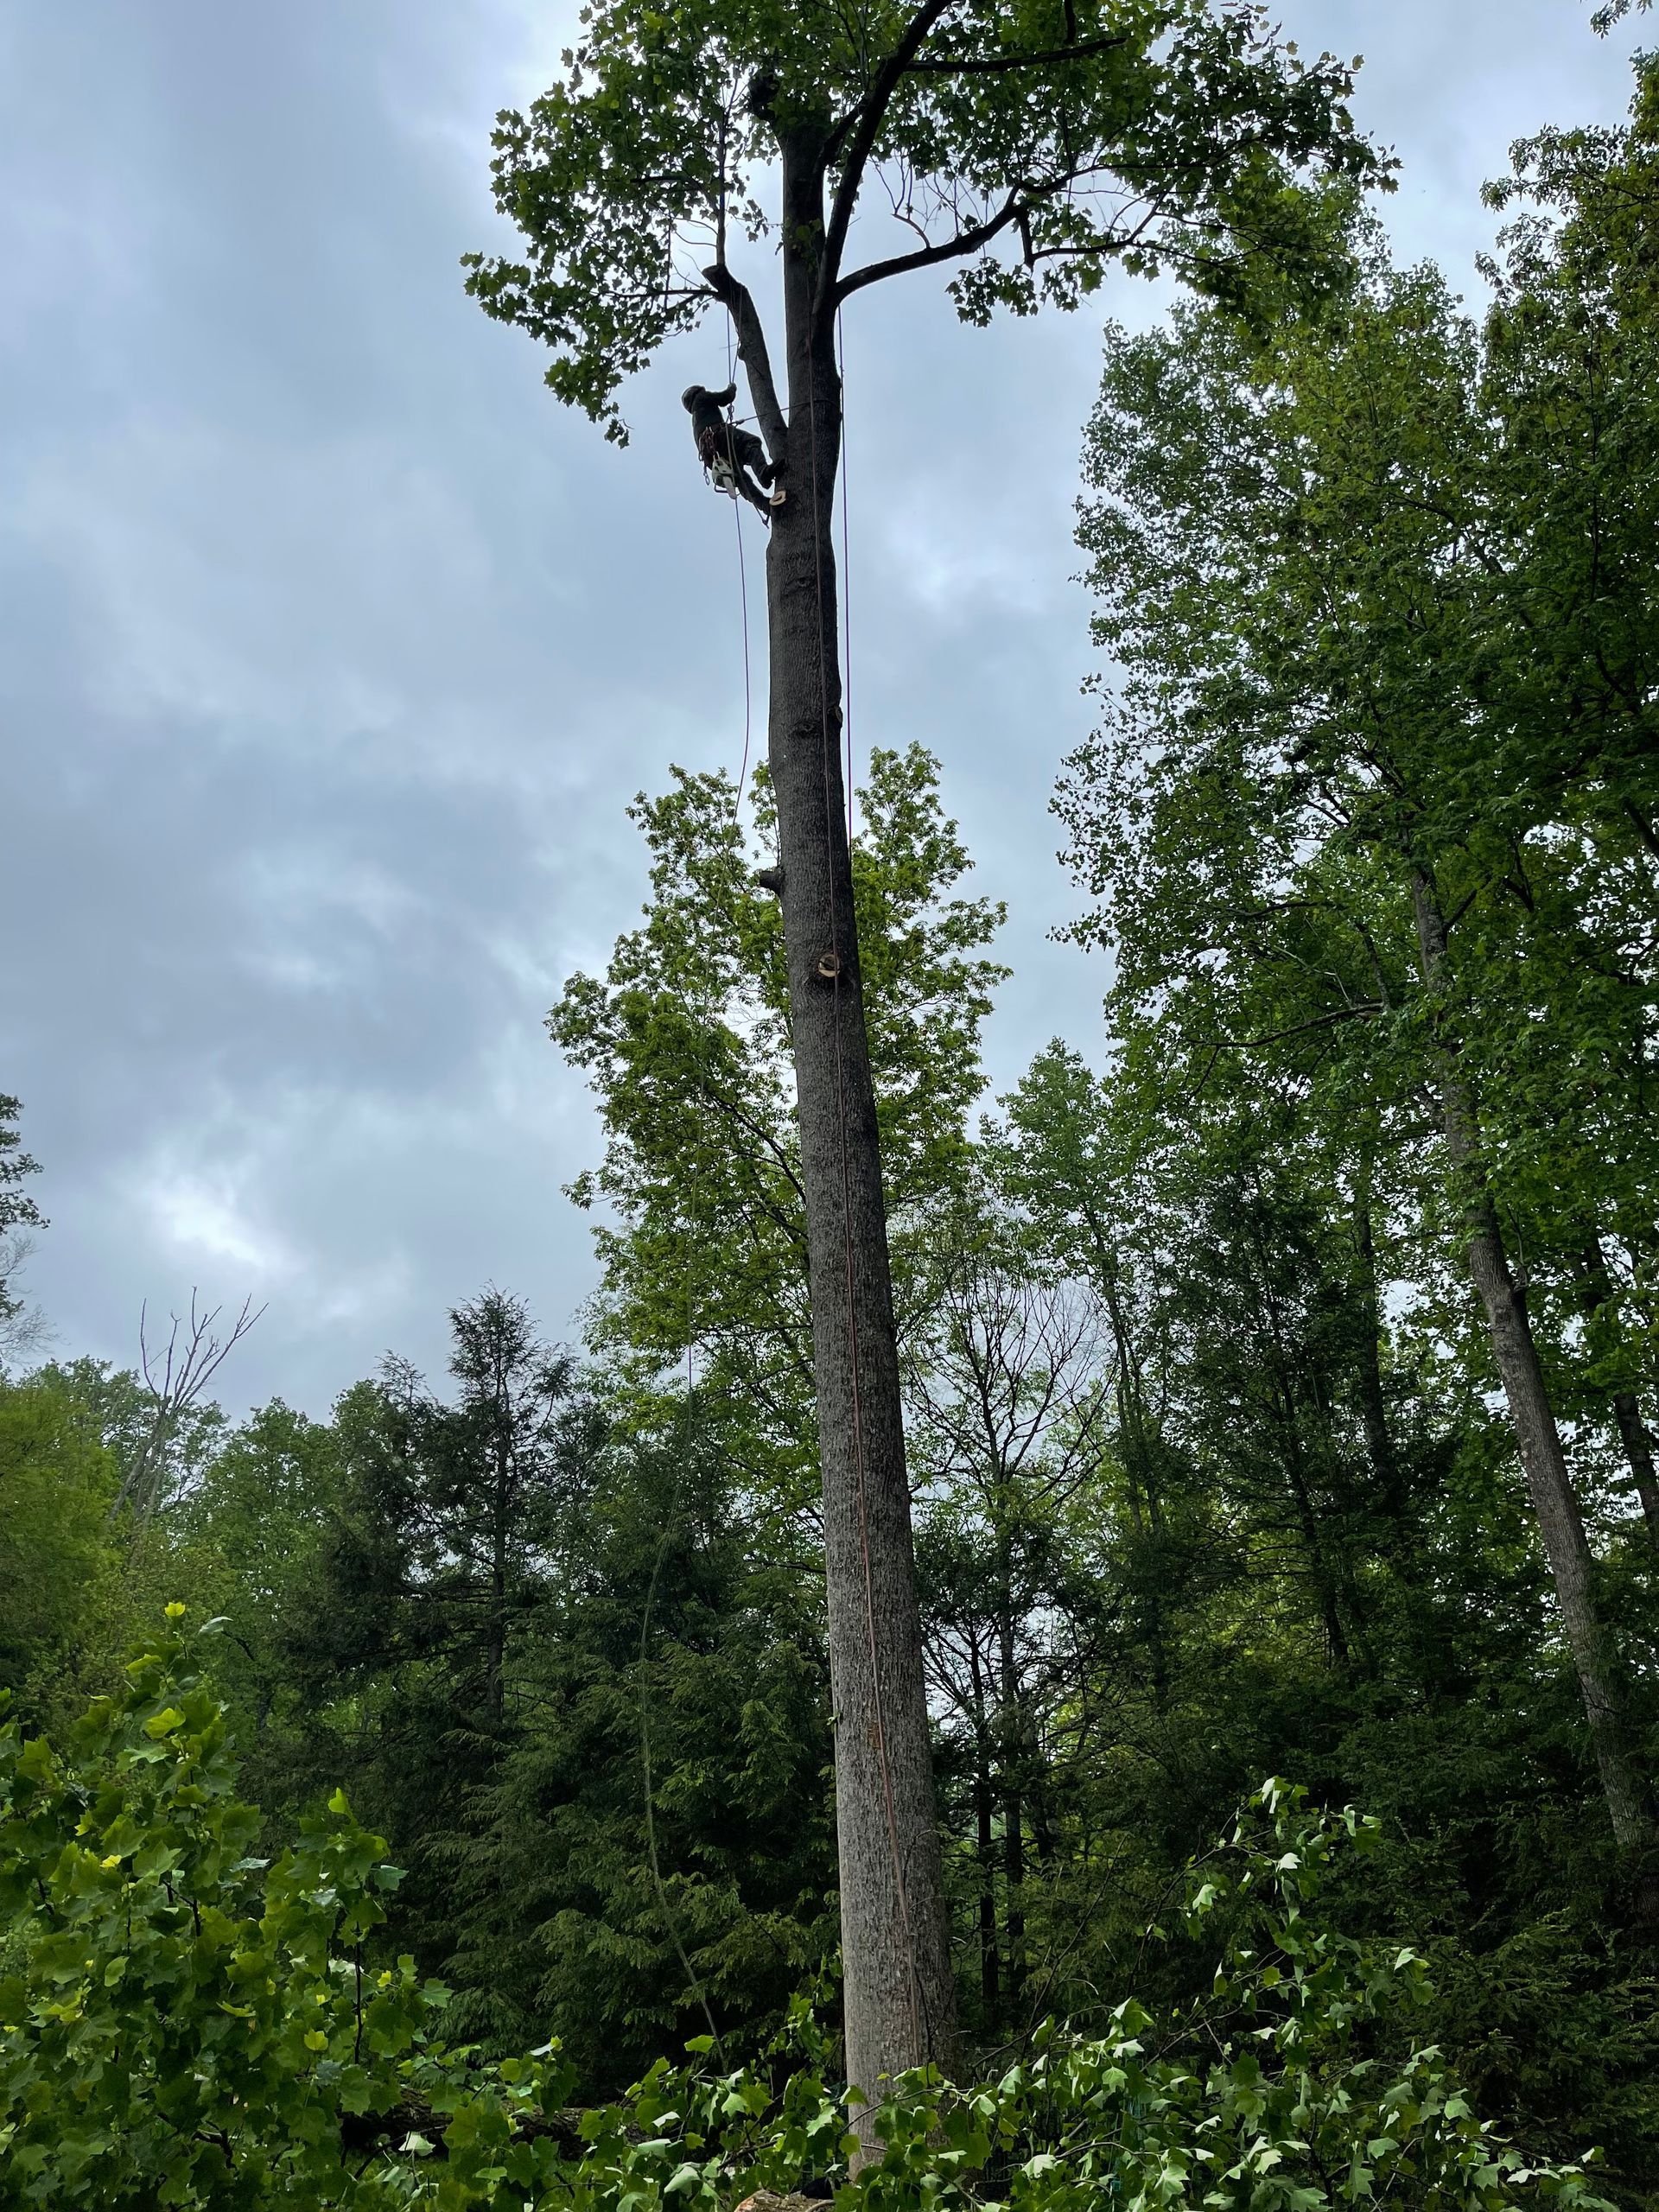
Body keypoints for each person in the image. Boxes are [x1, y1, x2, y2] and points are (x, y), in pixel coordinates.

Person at [682, 383, 785, 520]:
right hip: (719, 437)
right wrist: (732, 388)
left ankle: (766, 506)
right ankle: (763, 472)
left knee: (741, 478)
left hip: (713, 456)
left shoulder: (695, 420)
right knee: (751, 443)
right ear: (696, 392)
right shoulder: (700, 398)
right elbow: (725, 398)